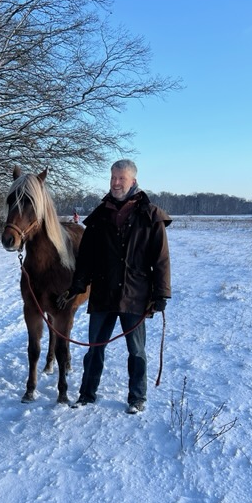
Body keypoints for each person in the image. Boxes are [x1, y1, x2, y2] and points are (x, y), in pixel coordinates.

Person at [57, 159, 171, 414]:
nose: (116, 183)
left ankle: (137, 397)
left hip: (135, 294)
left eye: (121, 178)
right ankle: (87, 394)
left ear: (133, 181)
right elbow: (86, 258)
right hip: (103, 293)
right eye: (113, 178)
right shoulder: (100, 216)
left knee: (136, 351)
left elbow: (161, 259)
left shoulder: (150, 215)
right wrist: (77, 285)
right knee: (94, 349)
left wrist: (161, 293)